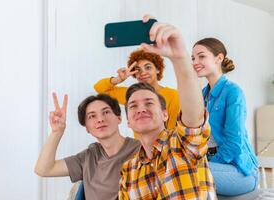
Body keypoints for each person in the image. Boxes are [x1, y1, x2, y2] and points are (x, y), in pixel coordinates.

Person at [118, 16, 216, 200]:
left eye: (149, 103)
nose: (141, 109)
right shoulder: (128, 170)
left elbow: (193, 117)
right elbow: (102, 88)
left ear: (164, 114)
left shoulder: (183, 145)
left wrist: (180, 57)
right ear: (128, 122)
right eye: (133, 105)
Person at [34, 93, 140, 200]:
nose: (100, 119)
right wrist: (57, 131)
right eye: (92, 116)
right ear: (87, 128)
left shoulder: (141, 150)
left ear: (119, 118)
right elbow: (43, 169)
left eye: (106, 112)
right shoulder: (88, 157)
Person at [192, 37, 259, 196]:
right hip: (213, 165)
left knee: (190, 173)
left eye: (201, 56)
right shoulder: (203, 95)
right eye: (193, 58)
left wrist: (209, 163)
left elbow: (234, 143)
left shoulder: (232, 92)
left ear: (219, 58)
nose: (195, 62)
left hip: (240, 170)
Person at [94, 49, 180, 134]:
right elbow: (99, 88)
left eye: (148, 67)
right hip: (140, 146)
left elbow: (173, 129)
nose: (143, 73)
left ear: (157, 69)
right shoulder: (131, 95)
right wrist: (118, 79)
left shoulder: (172, 95)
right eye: (138, 69)